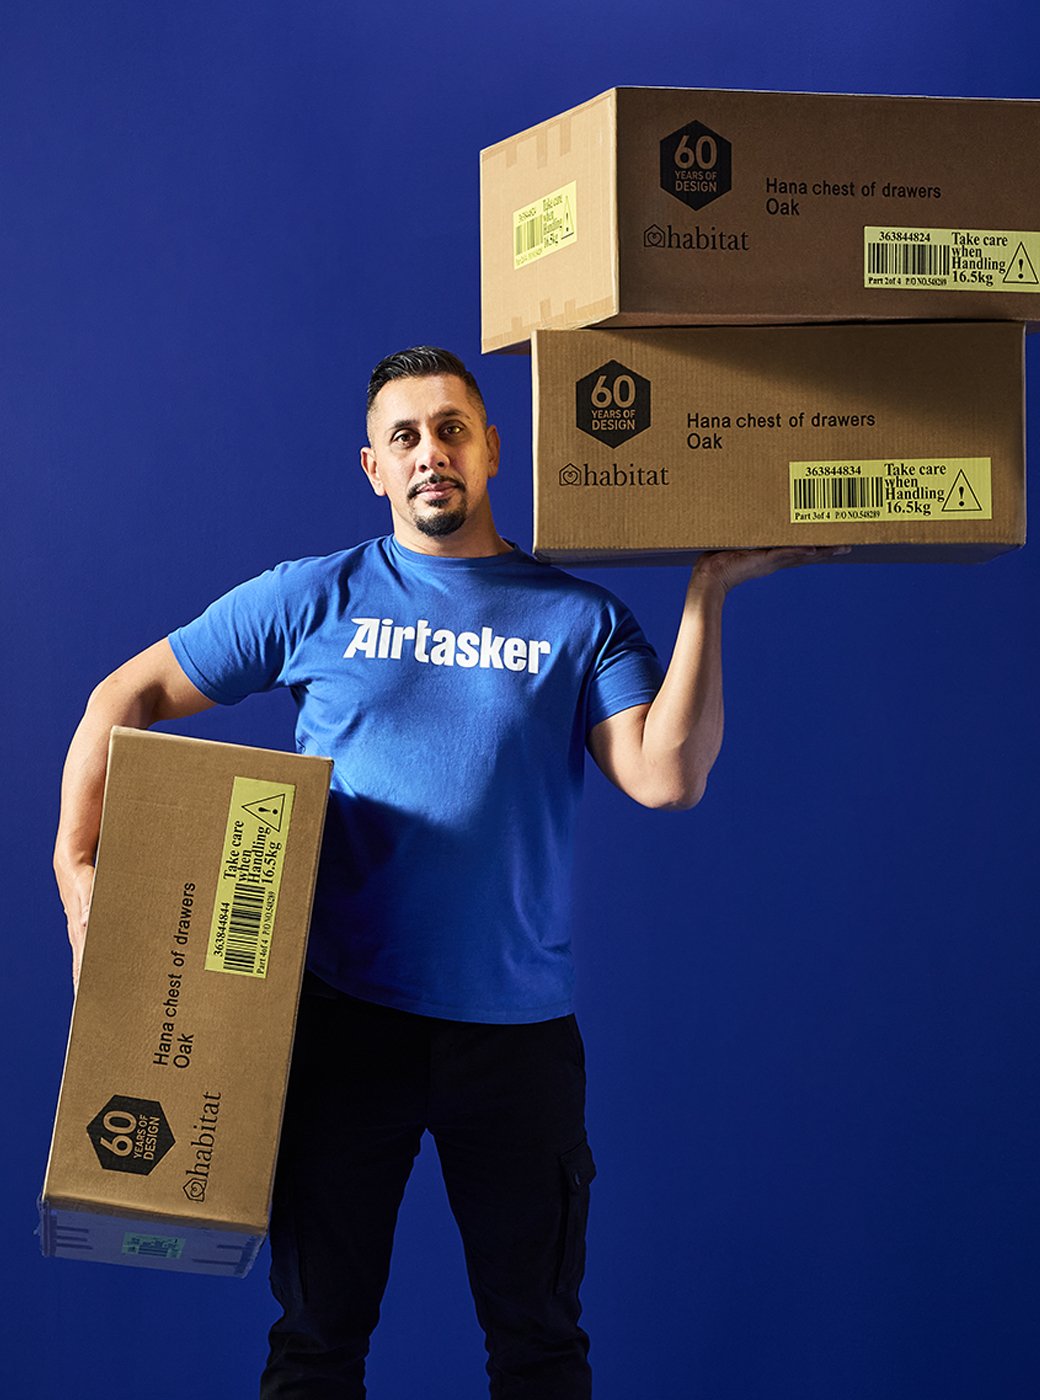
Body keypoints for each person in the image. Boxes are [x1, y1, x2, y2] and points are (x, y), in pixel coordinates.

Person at [53, 346, 844, 1398]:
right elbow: (124, 696)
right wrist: (77, 869)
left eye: (451, 429)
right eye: (406, 436)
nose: (431, 452)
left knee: (540, 1347)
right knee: (316, 1342)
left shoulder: (580, 617)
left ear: (492, 449)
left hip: (514, 1039)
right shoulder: (314, 596)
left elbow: (666, 776)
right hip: (342, 1025)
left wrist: (707, 591)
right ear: (373, 467)